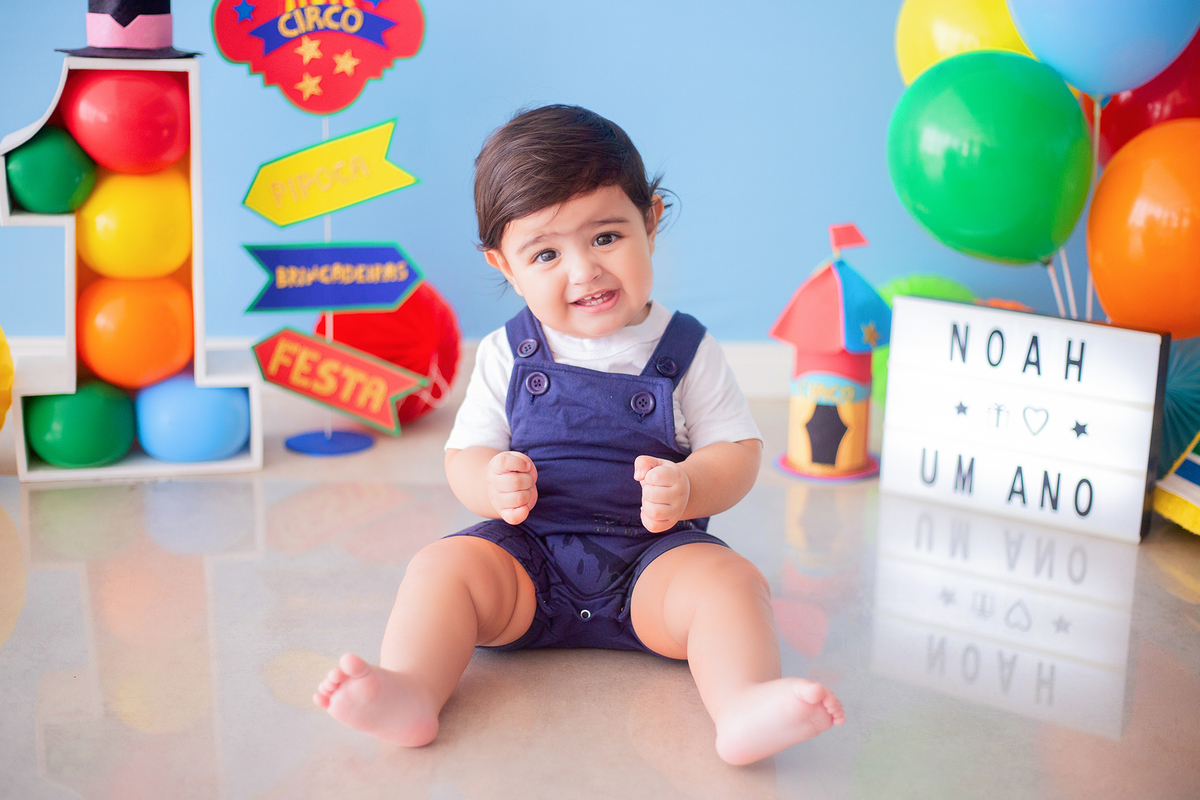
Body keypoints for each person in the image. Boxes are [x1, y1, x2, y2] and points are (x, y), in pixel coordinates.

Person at [314, 104, 844, 765]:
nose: (584, 271)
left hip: (655, 565)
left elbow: (737, 453)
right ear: (504, 266)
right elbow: (464, 455)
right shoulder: (509, 353)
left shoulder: (687, 348)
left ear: (650, 221)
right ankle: (412, 689)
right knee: (441, 567)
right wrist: (490, 481)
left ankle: (741, 702)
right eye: (545, 253)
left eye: (605, 238)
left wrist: (689, 486)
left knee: (731, 583)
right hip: (527, 562)